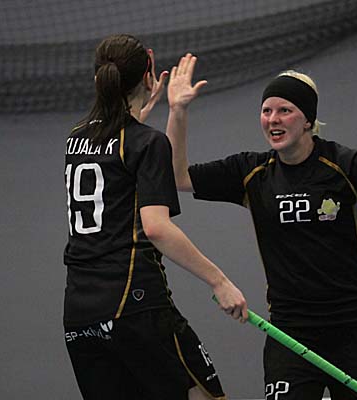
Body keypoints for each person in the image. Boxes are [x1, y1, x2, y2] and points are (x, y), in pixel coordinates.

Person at [166, 54, 357, 400]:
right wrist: (177, 111)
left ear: (308, 119)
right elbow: (177, 176)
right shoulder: (251, 172)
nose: (273, 119)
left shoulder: (345, 163)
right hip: (291, 335)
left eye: (285, 110)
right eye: (267, 111)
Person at [63, 34, 248, 400]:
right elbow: (156, 228)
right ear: (148, 77)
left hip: (80, 312)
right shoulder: (146, 143)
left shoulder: (75, 140)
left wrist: (150, 115)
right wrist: (219, 281)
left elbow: (114, 154)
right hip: (134, 303)